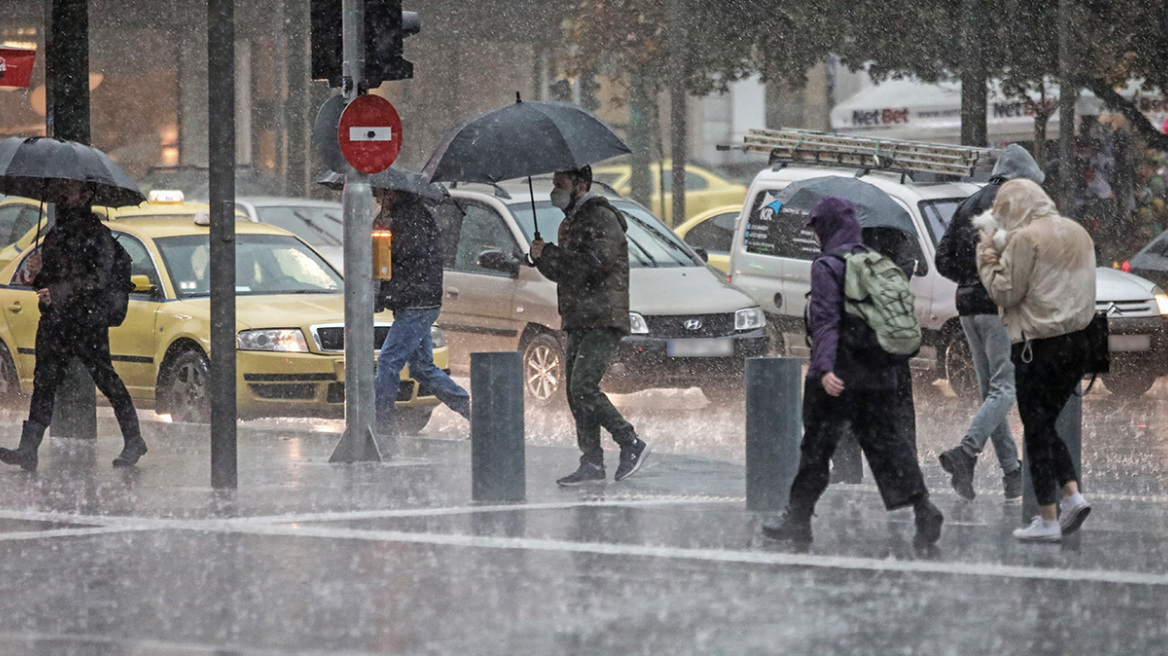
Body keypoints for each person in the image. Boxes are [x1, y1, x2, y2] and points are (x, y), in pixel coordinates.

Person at [762, 197, 943, 549]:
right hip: (880, 374)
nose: (815, 236)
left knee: (815, 450)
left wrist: (824, 369)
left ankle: (797, 520)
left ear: (827, 228)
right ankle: (924, 508)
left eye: (816, 229)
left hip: (839, 376)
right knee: (889, 447)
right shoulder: (875, 261)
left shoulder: (828, 265)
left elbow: (826, 322)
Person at [975, 179, 1095, 542]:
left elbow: (1005, 292)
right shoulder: (1078, 232)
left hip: (1038, 346)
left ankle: (1049, 518)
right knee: (1044, 425)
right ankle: (1071, 496)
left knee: (1036, 430)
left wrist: (987, 253)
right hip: (1080, 343)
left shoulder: (1027, 238)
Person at [0, 180, 146, 471]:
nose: (62, 194)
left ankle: (134, 440)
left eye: (70, 188)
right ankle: (28, 449)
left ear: (86, 196)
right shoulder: (56, 233)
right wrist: (38, 275)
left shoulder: (98, 236)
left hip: (86, 323)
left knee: (106, 379)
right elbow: (50, 283)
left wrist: (59, 291)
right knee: (44, 383)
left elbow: (98, 280)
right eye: (61, 188)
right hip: (55, 323)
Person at [529, 166, 650, 486]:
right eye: (554, 184)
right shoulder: (572, 221)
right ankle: (591, 462)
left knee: (583, 386)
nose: (555, 191)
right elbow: (564, 273)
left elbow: (594, 265)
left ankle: (630, 442)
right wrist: (541, 256)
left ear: (581, 186)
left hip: (602, 317)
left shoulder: (601, 218)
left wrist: (552, 253)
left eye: (561, 184)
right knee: (574, 392)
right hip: (578, 318)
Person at [933, 144, 1041, 501]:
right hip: (999, 307)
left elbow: (942, 258)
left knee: (990, 391)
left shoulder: (968, 203)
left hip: (967, 306)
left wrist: (971, 279)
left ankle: (1011, 473)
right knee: (1005, 387)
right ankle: (965, 453)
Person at [373, 188, 471, 436]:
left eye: (378, 194)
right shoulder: (410, 216)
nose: (376, 199)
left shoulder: (409, 219)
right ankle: (474, 412)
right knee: (421, 367)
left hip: (416, 304)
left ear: (391, 194)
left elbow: (401, 260)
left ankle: (380, 422)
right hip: (417, 302)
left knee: (388, 361)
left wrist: (385, 238)